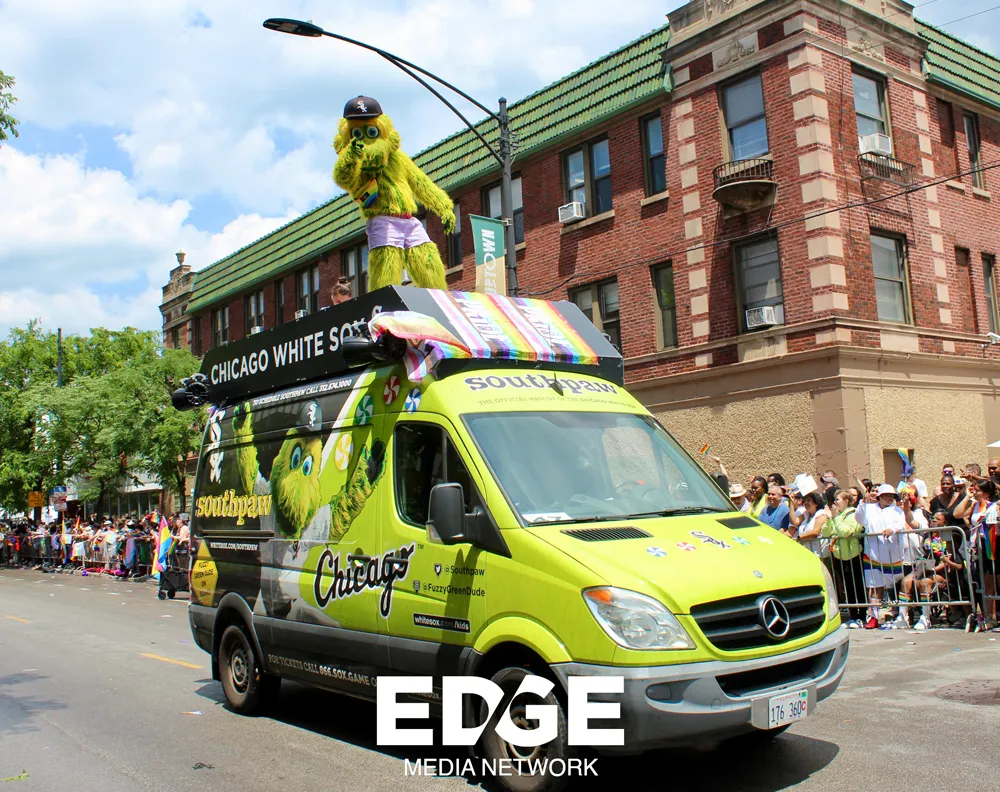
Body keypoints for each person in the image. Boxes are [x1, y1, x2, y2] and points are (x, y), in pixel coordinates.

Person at [856, 483, 908, 629]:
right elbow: (859, 518)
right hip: (872, 554)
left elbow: (901, 524)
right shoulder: (869, 508)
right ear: (879, 496)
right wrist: (863, 501)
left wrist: (892, 529)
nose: (890, 498)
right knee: (874, 586)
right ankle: (874, 617)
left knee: (895, 586)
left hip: (892, 554)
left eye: (892, 496)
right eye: (886, 495)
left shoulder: (897, 510)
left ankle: (898, 614)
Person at [824, 489, 866, 626]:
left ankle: (861, 616)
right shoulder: (837, 516)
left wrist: (835, 518)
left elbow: (845, 532)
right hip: (840, 556)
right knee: (847, 587)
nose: (835, 502)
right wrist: (829, 519)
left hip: (853, 555)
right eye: (834, 500)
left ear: (846, 501)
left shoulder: (853, 514)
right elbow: (826, 532)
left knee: (857, 586)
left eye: (838, 500)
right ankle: (853, 615)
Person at [798, 491, 830, 560]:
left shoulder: (821, 514)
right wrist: (791, 503)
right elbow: (794, 521)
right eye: (805, 501)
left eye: (809, 500)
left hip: (819, 555)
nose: (806, 503)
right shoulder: (806, 516)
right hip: (808, 554)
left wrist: (799, 538)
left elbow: (816, 531)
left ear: (816, 503)